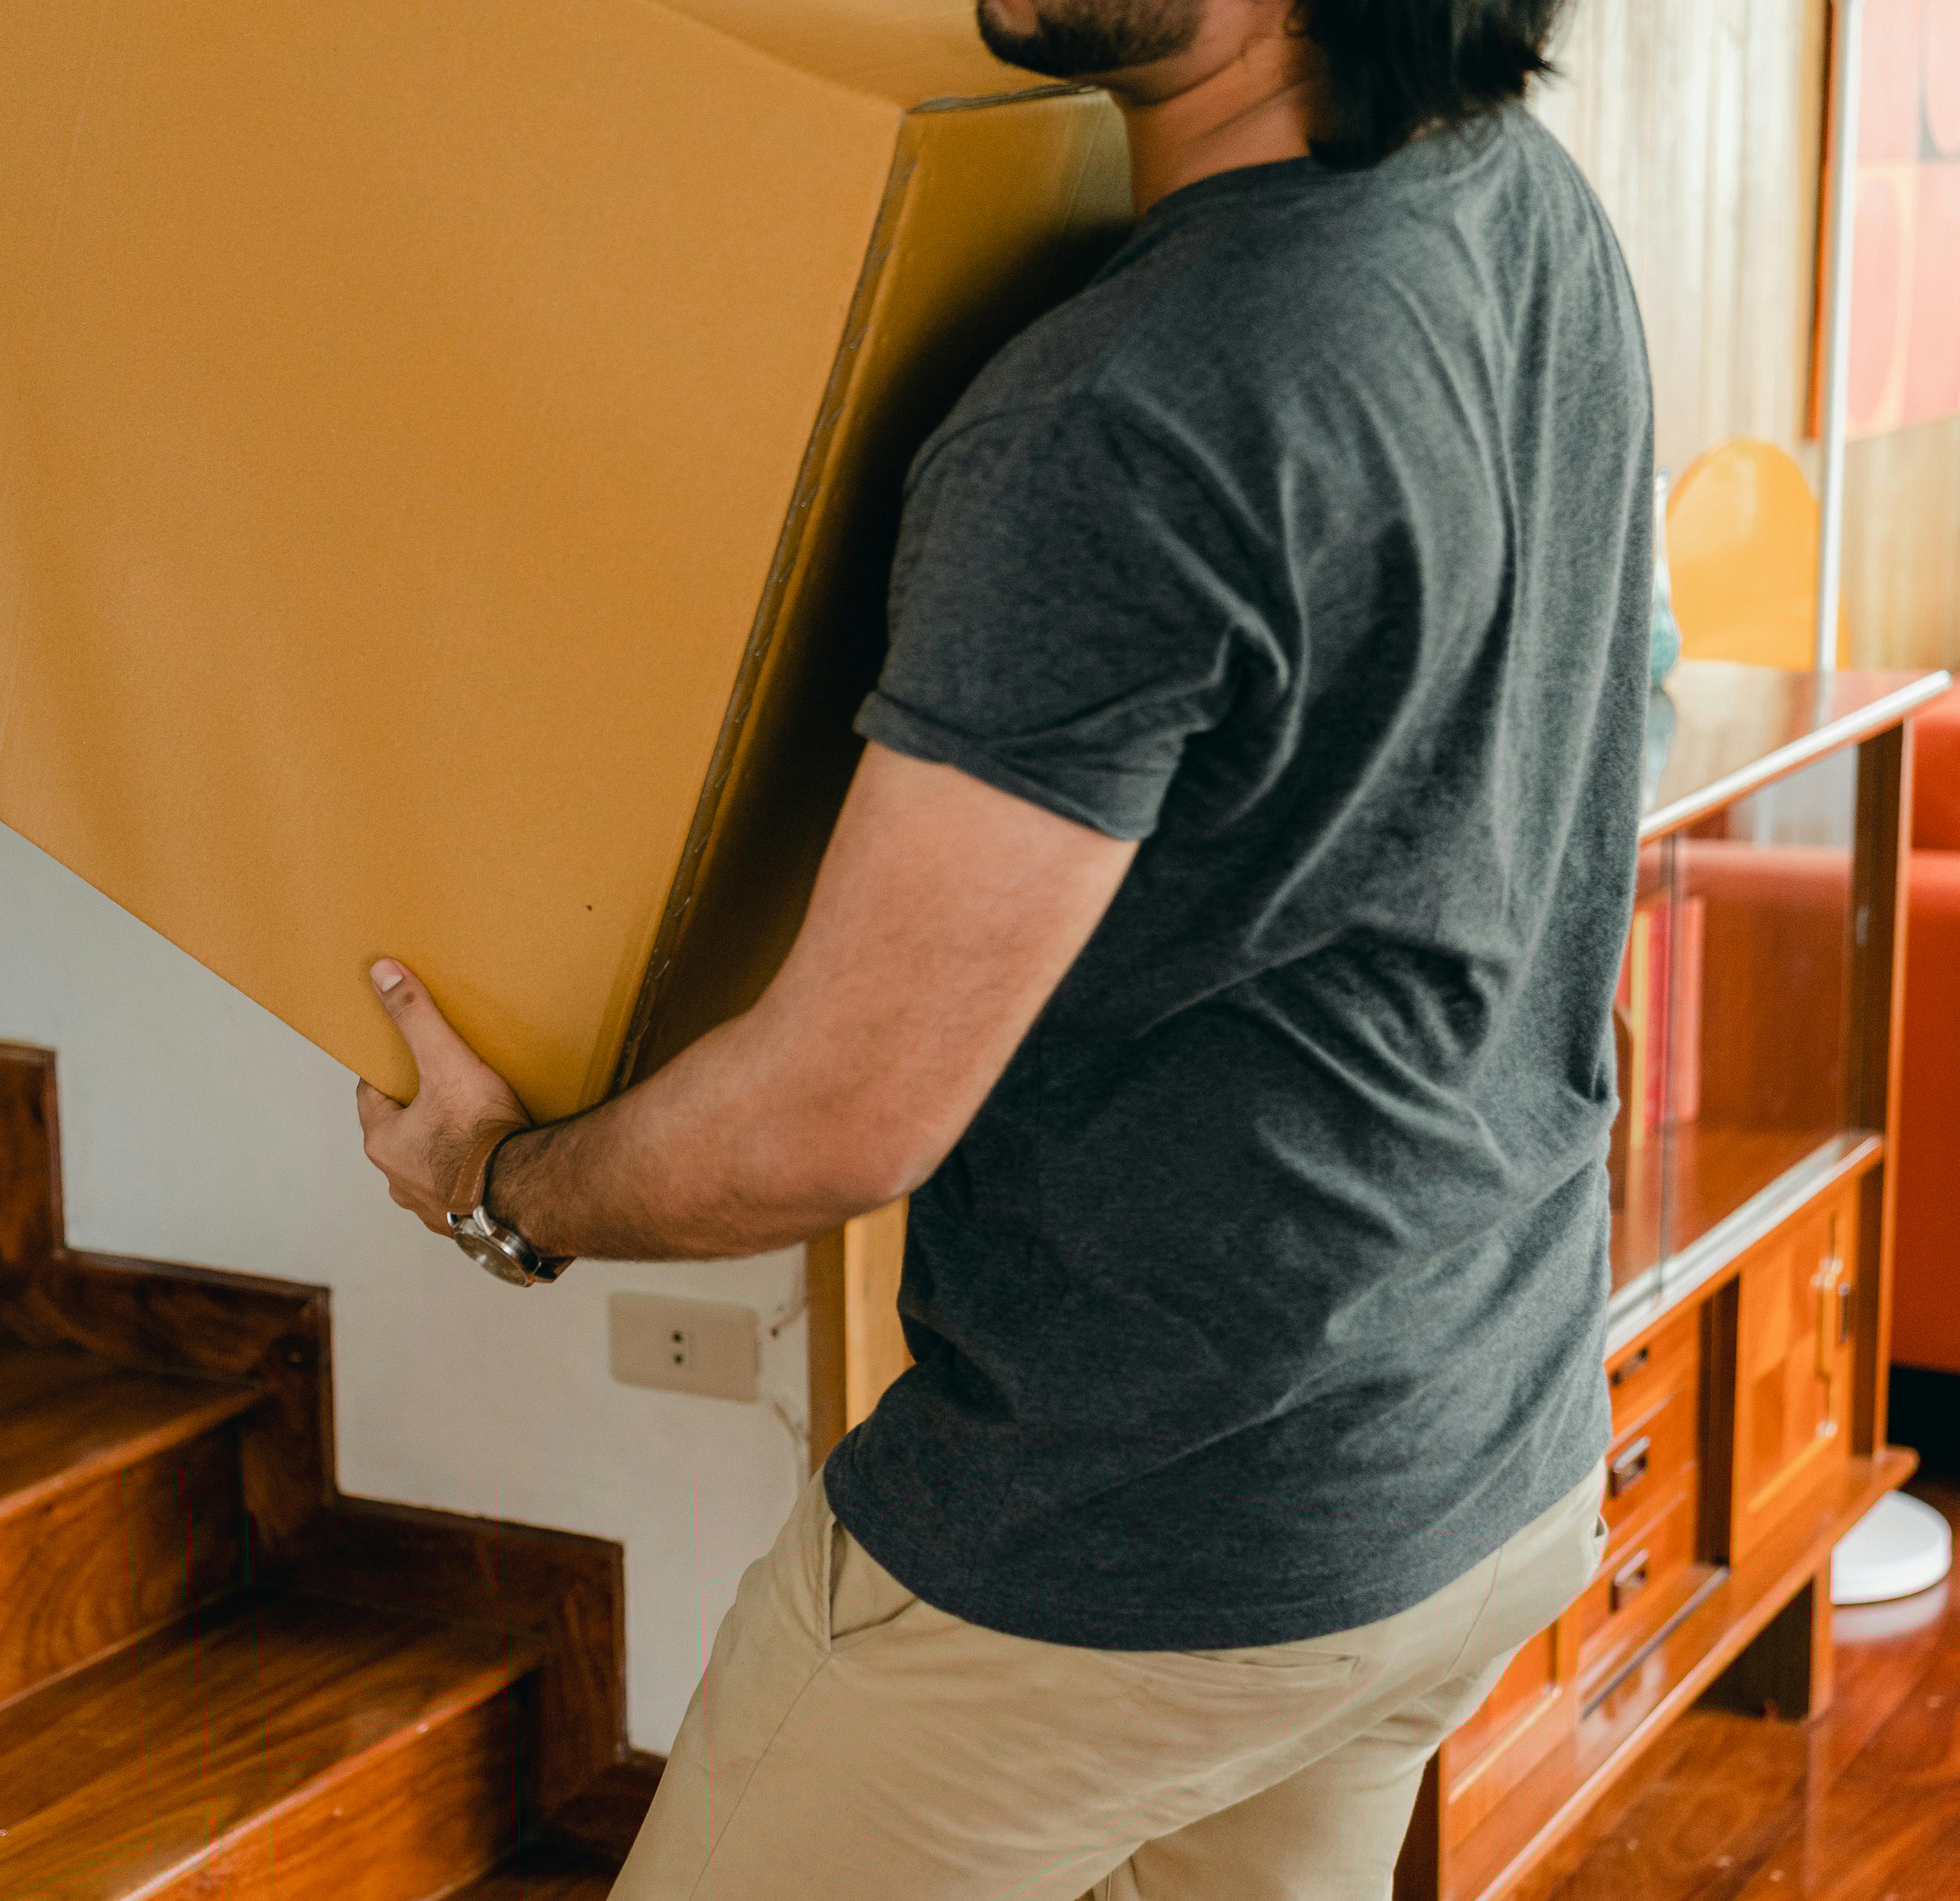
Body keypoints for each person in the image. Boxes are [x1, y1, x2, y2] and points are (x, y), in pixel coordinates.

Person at [358, 1, 1644, 1894]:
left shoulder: (1127, 412)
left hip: (1125, 1554)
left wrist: (501, 1188)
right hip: (1467, 1465)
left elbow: (833, 1120)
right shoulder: (1519, 202)